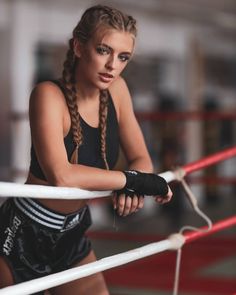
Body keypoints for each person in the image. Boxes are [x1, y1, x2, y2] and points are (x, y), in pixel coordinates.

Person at [0, 5, 173, 295]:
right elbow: (62, 175)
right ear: (78, 47)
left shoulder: (117, 90)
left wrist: (132, 184)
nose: (112, 66)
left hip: (72, 233)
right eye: (104, 50)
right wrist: (136, 181)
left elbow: (142, 158)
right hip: (23, 234)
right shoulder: (48, 96)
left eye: (123, 57)